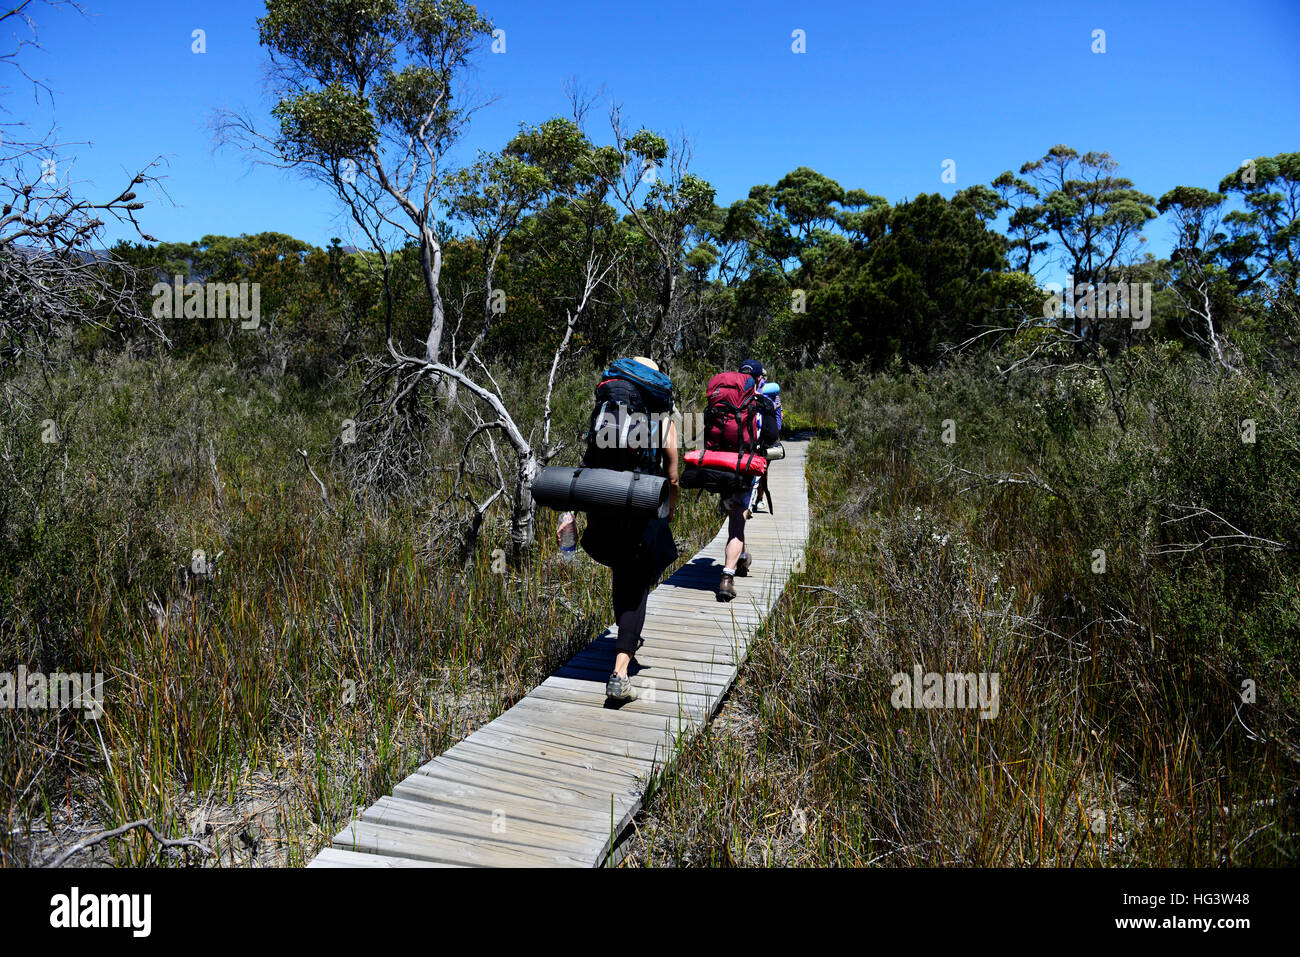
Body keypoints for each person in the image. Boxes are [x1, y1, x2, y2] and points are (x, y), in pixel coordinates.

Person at [580, 357, 680, 701]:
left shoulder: (604, 412)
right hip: (641, 509)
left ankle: (626, 635)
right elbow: (673, 475)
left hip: (604, 507)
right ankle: (621, 672)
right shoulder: (661, 421)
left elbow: (589, 460)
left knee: (623, 574)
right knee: (637, 586)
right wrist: (671, 507)